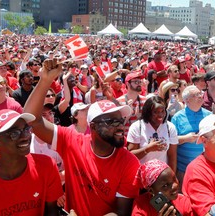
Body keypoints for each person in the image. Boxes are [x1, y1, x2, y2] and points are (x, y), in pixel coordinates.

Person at [24, 59, 140, 215]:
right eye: (111, 122)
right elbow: (32, 119)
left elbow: (121, 212)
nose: (119, 126)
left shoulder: (129, 162)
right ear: (93, 127)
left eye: (120, 120)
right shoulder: (71, 141)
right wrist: (45, 81)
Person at [0, 109, 64, 215]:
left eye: (26, 129)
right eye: (14, 133)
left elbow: (52, 211)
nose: (25, 136)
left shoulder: (46, 166)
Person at [171, 85, 211, 189]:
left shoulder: (209, 115)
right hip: (183, 169)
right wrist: (186, 138)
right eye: (196, 94)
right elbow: (171, 141)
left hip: (205, 168)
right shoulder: (177, 117)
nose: (200, 96)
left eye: (200, 93)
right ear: (187, 100)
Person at [127, 95, 178, 172]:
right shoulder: (137, 127)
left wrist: (172, 177)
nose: (160, 115)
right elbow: (131, 156)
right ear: (148, 112)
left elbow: (172, 156)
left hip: (161, 176)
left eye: (162, 111)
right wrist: (148, 149)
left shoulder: (170, 127)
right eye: (156, 112)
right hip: (141, 175)